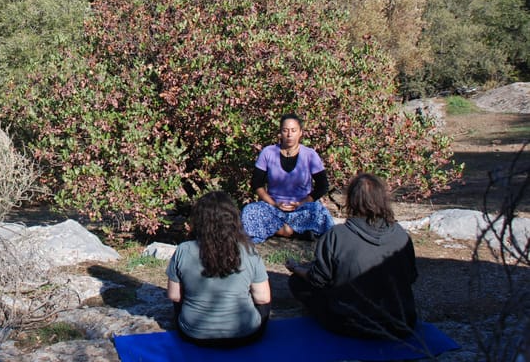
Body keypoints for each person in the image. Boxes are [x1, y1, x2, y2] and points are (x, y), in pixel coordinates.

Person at [285, 172, 418, 339]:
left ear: (351, 201)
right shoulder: (401, 234)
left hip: (353, 324)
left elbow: (318, 279)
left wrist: (296, 269)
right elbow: (411, 277)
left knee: (298, 283)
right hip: (402, 323)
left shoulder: (337, 235)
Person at [166, 191, 272, 346]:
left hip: (194, 334)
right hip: (246, 334)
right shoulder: (248, 250)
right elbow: (263, 298)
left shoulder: (183, 250)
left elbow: (174, 296)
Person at [240, 113, 335, 243]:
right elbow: (257, 184)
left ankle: (281, 230)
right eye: (285, 130)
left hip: (301, 208)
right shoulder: (268, 153)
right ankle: (292, 231)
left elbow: (323, 186)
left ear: (300, 132)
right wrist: (273, 203)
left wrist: (302, 203)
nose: (289, 135)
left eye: (293, 130)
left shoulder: (310, 155)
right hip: (273, 208)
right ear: (280, 132)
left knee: (320, 213)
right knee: (249, 211)